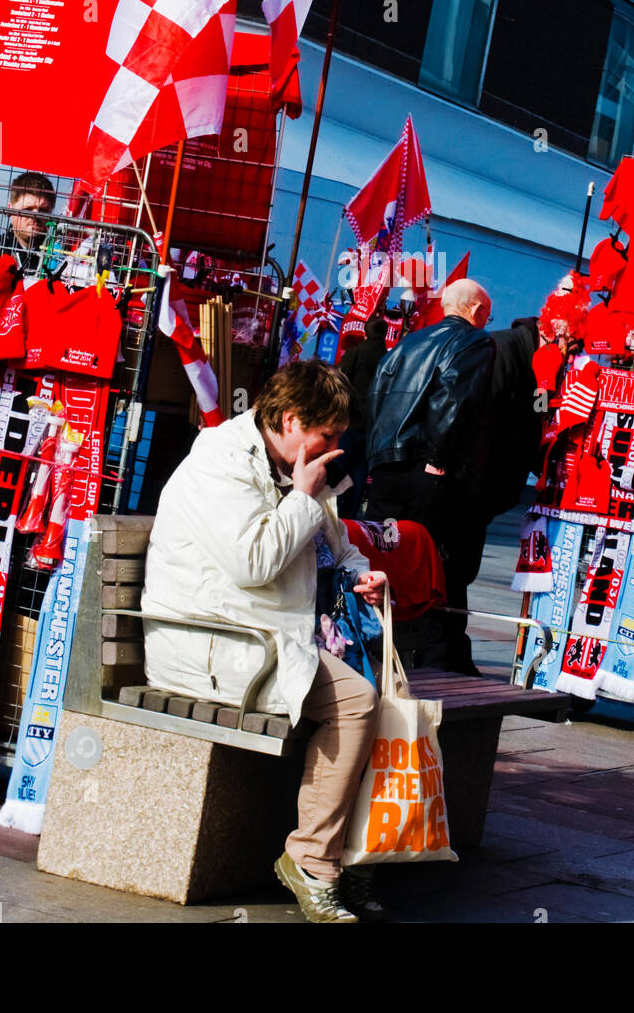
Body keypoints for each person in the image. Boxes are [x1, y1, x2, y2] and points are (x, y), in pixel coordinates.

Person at [142, 360, 389, 923]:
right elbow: (254, 563)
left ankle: (348, 858)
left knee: (379, 693)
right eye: (327, 434)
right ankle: (313, 863)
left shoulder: (290, 458)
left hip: (265, 634)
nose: (335, 446)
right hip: (208, 640)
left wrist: (359, 573)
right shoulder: (221, 462)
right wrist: (302, 496)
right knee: (355, 703)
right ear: (290, 419)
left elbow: (330, 537)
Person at [363, 278, 495, 673]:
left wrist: (378, 453)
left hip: (388, 465)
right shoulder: (474, 342)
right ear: (475, 311)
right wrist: (439, 458)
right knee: (434, 561)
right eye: (486, 314)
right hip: (429, 469)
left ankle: (383, 643)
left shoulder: (408, 342)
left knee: (385, 553)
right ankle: (432, 654)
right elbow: (455, 396)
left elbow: (376, 395)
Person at [480, 316, 543, 524]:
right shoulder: (504, 349)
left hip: (499, 477)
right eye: (572, 347)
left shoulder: (543, 365)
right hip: (482, 475)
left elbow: (538, 415)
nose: (571, 358)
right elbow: (485, 410)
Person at [335, 314, 388, 517]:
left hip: (349, 420)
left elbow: (340, 383)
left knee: (340, 468)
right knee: (360, 471)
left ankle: (335, 511)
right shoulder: (390, 358)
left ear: (366, 332)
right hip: (374, 424)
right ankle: (351, 515)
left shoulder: (355, 353)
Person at [0, 171, 56, 275]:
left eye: (43, 210)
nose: (35, 216)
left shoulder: (60, 258)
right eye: (27, 209)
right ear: (10, 210)